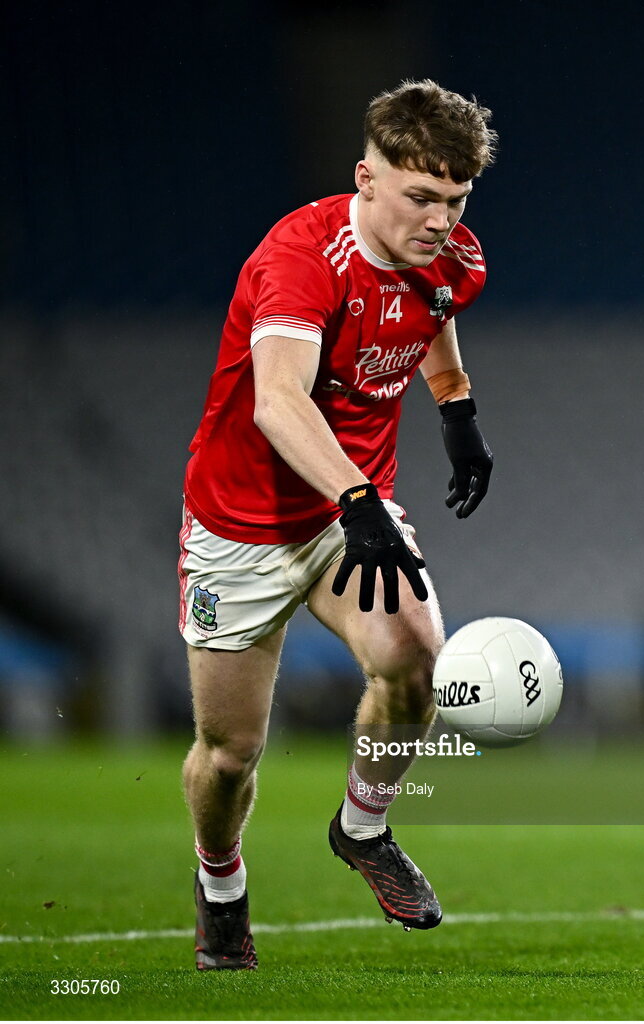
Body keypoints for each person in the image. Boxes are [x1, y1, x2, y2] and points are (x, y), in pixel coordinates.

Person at [178, 79, 497, 970]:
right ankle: (221, 883)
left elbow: (427, 310)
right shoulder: (298, 259)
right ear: (366, 178)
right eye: (420, 198)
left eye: (456, 201)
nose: (439, 220)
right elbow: (280, 402)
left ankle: (363, 829)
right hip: (242, 524)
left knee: (416, 660)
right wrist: (358, 502)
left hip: (349, 506)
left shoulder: (451, 256)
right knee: (231, 753)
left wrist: (454, 406)